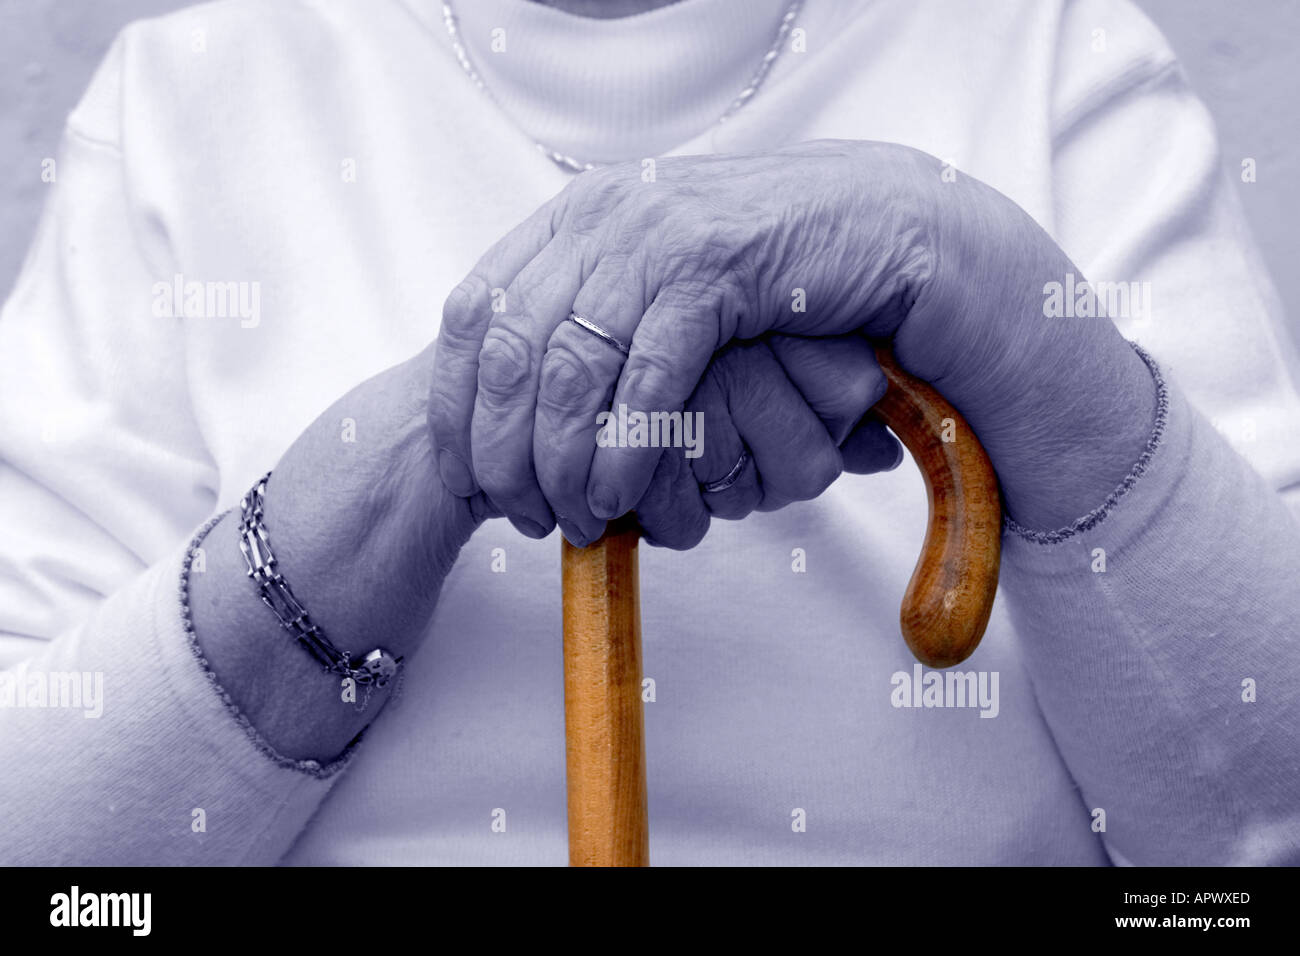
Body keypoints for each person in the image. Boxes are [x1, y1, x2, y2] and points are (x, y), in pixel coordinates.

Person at [1, 0, 1298, 866]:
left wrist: (965, 272)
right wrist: (434, 438)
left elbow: (1258, 841)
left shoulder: (1053, 50)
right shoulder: (192, 97)